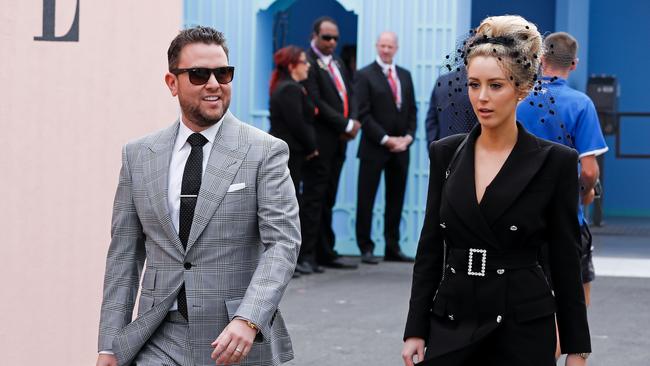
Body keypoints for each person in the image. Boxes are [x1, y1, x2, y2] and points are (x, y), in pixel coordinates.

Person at [96, 26, 300, 366]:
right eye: (199, 74)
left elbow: (283, 244)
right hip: (158, 334)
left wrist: (249, 318)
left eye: (223, 73)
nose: (213, 84)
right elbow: (124, 255)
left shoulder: (265, 151)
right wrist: (109, 345)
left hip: (234, 340)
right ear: (172, 82)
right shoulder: (138, 156)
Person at [402, 15, 591, 366]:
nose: (482, 98)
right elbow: (430, 246)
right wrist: (415, 328)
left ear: (522, 88)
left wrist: (576, 349)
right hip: (453, 318)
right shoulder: (445, 152)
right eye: (474, 84)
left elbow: (566, 260)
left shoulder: (556, 162)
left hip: (522, 326)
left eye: (496, 85)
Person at [517, 31, 608, 361]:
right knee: (574, 309)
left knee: (525, 307)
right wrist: (584, 197)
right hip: (567, 221)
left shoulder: (518, 99)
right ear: (574, 64)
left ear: (540, 59)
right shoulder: (581, 103)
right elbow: (589, 170)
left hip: (522, 221)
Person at [302, 16, 361, 270]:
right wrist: (344, 124)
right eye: (327, 37)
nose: (332, 42)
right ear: (314, 36)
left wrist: (353, 121)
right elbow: (316, 101)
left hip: (340, 141)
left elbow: (350, 93)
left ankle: (326, 251)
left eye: (335, 38)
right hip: (320, 141)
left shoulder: (337, 61)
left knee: (329, 197)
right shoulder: (308, 62)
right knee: (313, 198)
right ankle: (306, 255)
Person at [354, 31, 417, 264]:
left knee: (396, 198)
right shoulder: (364, 75)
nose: (386, 50)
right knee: (366, 198)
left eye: (390, 46)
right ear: (376, 46)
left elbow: (412, 110)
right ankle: (366, 247)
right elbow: (363, 113)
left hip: (402, 149)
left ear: (396, 48)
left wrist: (408, 137)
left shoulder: (405, 75)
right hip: (374, 147)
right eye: (382, 45)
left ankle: (393, 246)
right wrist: (385, 139)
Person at [268, 45, 319, 276]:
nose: (307, 65)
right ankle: (289, 260)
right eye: (303, 61)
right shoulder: (288, 89)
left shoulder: (293, 87)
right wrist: (312, 147)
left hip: (293, 153)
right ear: (291, 66)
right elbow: (297, 123)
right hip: (291, 154)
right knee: (288, 207)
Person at [425, 67, 478, 146]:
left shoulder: (442, 80)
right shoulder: (480, 84)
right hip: (473, 152)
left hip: (443, 151)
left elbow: (431, 121)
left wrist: (434, 151)